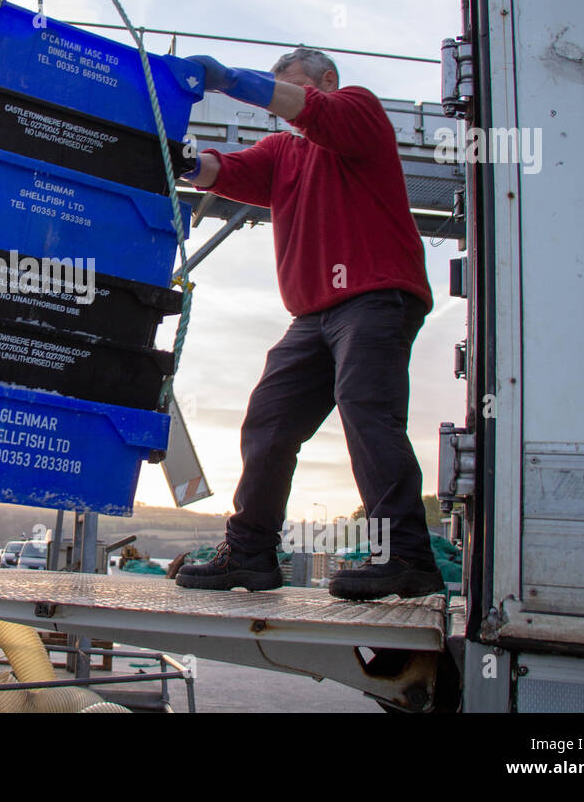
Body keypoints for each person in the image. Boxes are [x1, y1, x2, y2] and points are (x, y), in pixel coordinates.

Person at [173, 48, 442, 600]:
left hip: (374, 295)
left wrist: (232, 81)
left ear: (326, 80)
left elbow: (313, 113)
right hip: (313, 314)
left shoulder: (358, 111)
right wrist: (181, 160)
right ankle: (249, 553)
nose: (277, 106)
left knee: (366, 410)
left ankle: (408, 557)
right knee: (268, 422)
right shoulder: (281, 152)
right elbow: (229, 172)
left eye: (286, 90)